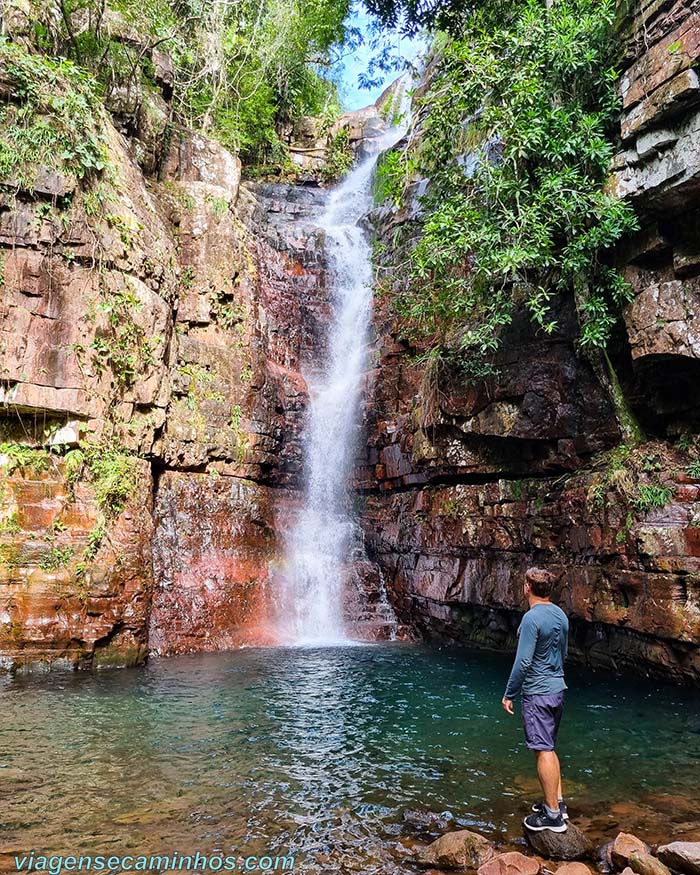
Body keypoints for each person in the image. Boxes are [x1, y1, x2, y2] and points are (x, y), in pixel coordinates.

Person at [502, 567, 570, 833]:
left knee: (543, 749)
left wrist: (510, 693)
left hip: (538, 692)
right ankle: (558, 804)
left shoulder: (532, 618)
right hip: (557, 689)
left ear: (527, 588)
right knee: (549, 747)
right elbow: (563, 652)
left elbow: (523, 661)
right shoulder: (561, 615)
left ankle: (552, 817)